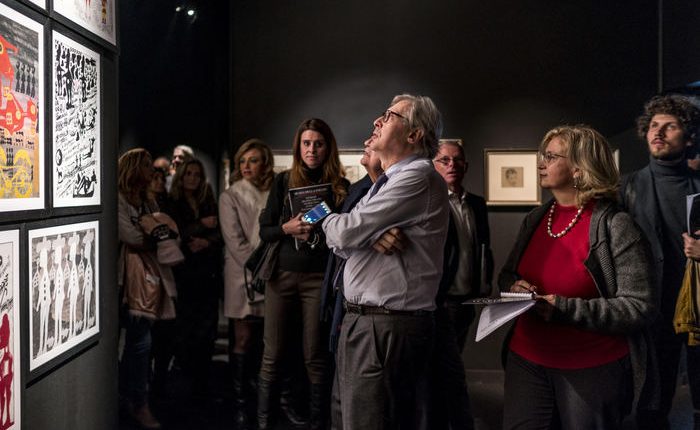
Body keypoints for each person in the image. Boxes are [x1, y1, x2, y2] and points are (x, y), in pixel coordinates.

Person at [499, 125, 657, 429]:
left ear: (580, 170)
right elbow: (508, 274)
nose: (540, 163)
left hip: (591, 368)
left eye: (551, 156)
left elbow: (640, 306)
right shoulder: (536, 218)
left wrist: (564, 309)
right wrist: (513, 286)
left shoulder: (617, 226)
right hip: (527, 358)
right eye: (542, 155)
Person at [322, 94, 448, 430]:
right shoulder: (387, 182)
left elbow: (344, 234)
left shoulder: (416, 176)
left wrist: (327, 220)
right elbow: (347, 244)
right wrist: (366, 234)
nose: (377, 121)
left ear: (413, 135)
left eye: (388, 116)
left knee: (369, 422)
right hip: (366, 321)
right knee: (348, 419)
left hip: (386, 325)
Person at [257, 118, 348, 430]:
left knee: (315, 356)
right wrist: (287, 228)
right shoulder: (283, 181)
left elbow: (343, 239)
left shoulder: (339, 187)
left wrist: (314, 236)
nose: (312, 149)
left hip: (317, 280)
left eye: (318, 143)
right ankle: (264, 422)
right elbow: (265, 231)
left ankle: (317, 424)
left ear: (328, 148)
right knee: (273, 354)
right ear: (298, 146)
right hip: (280, 277)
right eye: (307, 143)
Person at [619, 94, 700, 429]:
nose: (659, 132)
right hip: (651, 306)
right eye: (654, 125)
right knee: (652, 404)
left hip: (697, 306)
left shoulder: (698, 185)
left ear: (690, 136)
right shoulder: (629, 187)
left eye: (670, 126)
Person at [319, 140, 383, 427]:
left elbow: (345, 234)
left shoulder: (396, 192)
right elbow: (341, 238)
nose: (368, 143)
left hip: (376, 308)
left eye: (376, 139)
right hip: (344, 297)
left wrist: (353, 232)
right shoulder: (356, 190)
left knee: (366, 405)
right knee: (341, 397)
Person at [118, 148, 177, 430]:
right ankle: (134, 402)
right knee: (138, 344)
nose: (152, 172)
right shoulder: (120, 199)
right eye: (146, 166)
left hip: (147, 279)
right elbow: (132, 236)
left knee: (141, 344)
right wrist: (155, 233)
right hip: (123, 282)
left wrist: (155, 232)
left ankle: (136, 400)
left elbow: (164, 233)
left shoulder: (147, 200)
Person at [218, 138, 275, 429]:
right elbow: (235, 241)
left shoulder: (274, 191)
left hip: (271, 273)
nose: (246, 166)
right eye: (242, 161)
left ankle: (262, 399)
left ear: (264, 162)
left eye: (253, 160)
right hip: (243, 274)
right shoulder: (231, 196)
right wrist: (259, 267)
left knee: (268, 339)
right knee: (242, 338)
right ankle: (240, 402)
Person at [165, 158, 222, 398]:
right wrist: (200, 226)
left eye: (197, 174)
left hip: (207, 271)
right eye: (188, 173)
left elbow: (220, 232)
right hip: (185, 271)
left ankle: (203, 381)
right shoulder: (172, 202)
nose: (192, 178)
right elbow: (173, 233)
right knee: (186, 329)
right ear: (181, 176)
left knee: (207, 328)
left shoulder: (207, 200)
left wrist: (206, 241)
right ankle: (185, 380)